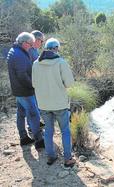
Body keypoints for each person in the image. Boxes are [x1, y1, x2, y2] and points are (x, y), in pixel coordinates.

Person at [32, 38, 76, 167]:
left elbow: (34, 84)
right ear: (56, 48)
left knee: (48, 130)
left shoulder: (35, 63)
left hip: (44, 104)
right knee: (65, 131)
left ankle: (51, 156)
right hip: (60, 104)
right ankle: (67, 158)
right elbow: (69, 83)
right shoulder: (61, 62)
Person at [6, 32, 45, 149]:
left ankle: (23, 137)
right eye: (30, 44)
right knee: (33, 114)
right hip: (25, 91)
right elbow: (22, 75)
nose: (31, 46)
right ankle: (39, 140)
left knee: (21, 113)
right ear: (23, 43)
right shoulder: (19, 55)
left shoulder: (15, 51)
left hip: (18, 90)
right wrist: (33, 85)